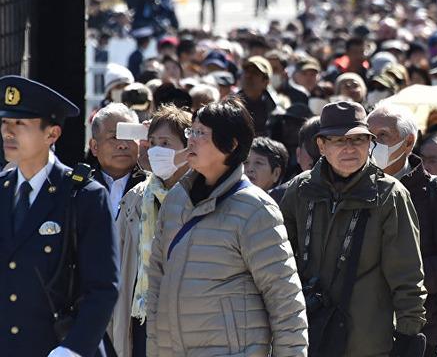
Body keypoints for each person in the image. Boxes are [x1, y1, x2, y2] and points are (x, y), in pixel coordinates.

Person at [146, 98, 307, 356]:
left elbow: (285, 299)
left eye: (201, 133)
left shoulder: (255, 208)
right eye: (190, 132)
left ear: (231, 145)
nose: (191, 140)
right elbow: (156, 282)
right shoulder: (176, 199)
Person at [278, 101, 428, 356]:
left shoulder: (390, 194)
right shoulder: (300, 190)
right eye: (339, 140)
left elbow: (407, 275)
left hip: (367, 344)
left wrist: (408, 334)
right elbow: (278, 265)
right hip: (305, 336)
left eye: (358, 139)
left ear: (369, 144)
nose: (350, 148)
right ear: (321, 145)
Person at [0, 76, 119, 357]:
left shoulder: (83, 196)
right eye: (4, 122)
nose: (8, 132)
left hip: (60, 348)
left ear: (52, 134)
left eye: (20, 124)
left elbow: (103, 288)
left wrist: (73, 348)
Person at [368, 104, 437, 357]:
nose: (374, 144)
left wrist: (405, 278)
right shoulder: (356, 189)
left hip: (420, 331)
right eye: (369, 136)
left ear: (408, 143)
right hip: (364, 328)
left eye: (383, 135)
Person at [109, 105, 191, 357]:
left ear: (188, 148)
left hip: (186, 319)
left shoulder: (200, 197)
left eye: (165, 143)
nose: (156, 151)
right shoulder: (136, 198)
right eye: (152, 142)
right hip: (141, 317)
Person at [89, 103, 147, 220]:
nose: (123, 145)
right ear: (94, 146)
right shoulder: (79, 188)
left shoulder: (152, 185)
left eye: (130, 136)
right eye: (115, 137)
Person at [237, 56, 280, 136]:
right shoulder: (229, 106)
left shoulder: (276, 113)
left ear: (266, 82)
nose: (248, 76)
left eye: (255, 73)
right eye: (246, 71)